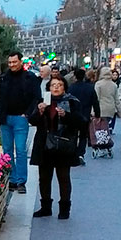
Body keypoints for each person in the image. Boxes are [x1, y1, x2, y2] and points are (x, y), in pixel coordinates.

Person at [29, 77, 85, 219]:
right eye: (53, 85)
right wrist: (39, 112)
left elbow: (81, 122)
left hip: (64, 145)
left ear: (64, 88)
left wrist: (66, 116)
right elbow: (32, 120)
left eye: (59, 85)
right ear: (49, 88)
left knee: (63, 177)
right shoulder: (43, 101)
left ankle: (64, 208)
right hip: (45, 145)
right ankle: (45, 207)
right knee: (44, 178)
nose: (56, 88)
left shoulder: (72, 101)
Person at [0, 51, 41, 194]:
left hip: (20, 119)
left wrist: (27, 114)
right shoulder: (3, 78)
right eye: (10, 62)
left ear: (21, 62)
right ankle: (12, 179)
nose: (12, 65)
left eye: (14, 62)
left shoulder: (30, 78)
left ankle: (21, 181)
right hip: (5, 118)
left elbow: (37, 98)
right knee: (7, 150)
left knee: (21, 150)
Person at [68, 68, 100, 164]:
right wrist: (97, 115)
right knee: (83, 136)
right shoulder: (90, 87)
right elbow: (95, 102)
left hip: (73, 115)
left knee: (72, 135)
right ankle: (81, 153)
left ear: (75, 76)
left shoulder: (71, 88)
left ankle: (73, 153)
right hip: (85, 114)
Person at [94, 66, 121, 134]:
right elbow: (117, 100)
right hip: (110, 109)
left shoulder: (98, 84)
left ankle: (102, 140)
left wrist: (93, 111)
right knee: (106, 125)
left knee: (100, 127)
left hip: (100, 109)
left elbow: (96, 99)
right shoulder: (113, 85)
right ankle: (105, 136)